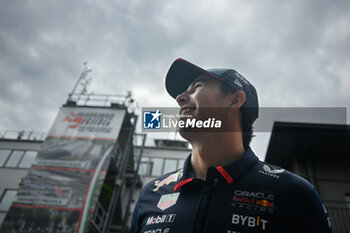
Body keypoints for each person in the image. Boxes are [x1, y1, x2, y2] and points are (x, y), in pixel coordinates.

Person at [130, 58, 332, 233]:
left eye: (197, 86)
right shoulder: (150, 194)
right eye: (184, 92)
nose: (180, 98)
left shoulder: (295, 194)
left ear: (235, 100)